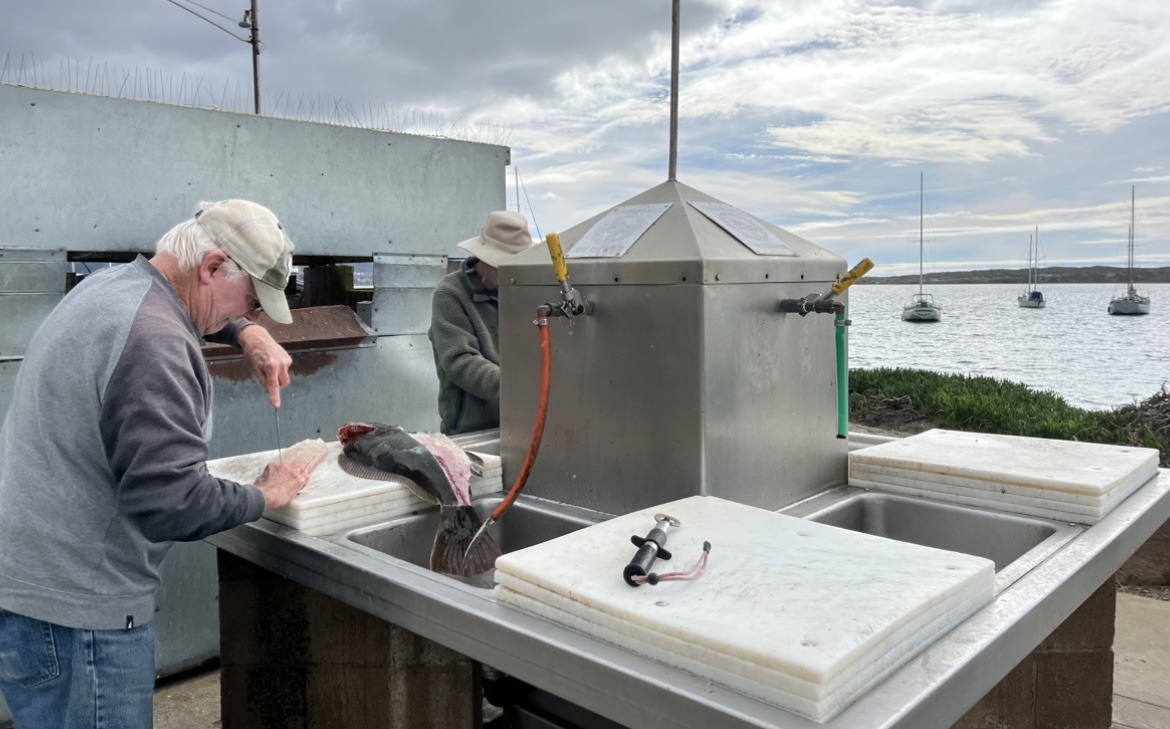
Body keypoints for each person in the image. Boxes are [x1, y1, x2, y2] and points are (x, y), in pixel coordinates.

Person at [0, 199, 318, 728]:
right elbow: (172, 504)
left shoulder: (112, 287)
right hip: (83, 620)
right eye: (252, 302)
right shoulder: (157, 343)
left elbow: (181, 302)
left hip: (29, 587)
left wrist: (245, 334)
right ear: (213, 266)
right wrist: (270, 494)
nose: (253, 312)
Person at [429, 210, 538, 435]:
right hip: (470, 428)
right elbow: (461, 360)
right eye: (504, 267)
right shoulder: (450, 294)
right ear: (484, 259)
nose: (512, 274)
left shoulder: (525, 293)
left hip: (523, 422)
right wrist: (516, 387)